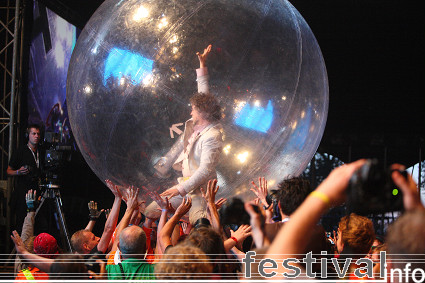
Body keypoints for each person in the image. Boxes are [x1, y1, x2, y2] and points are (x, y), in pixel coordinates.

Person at [146, 44, 223, 224]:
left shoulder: (212, 135)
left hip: (199, 192)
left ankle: (197, 228)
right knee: (151, 212)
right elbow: (203, 95)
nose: (191, 113)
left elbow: (205, 170)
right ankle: (181, 222)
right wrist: (202, 66)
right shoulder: (202, 120)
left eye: (193, 110)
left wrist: (180, 189)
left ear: (203, 113)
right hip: (185, 185)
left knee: (199, 225)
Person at [7, 124, 43, 234]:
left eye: (38, 134)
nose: (36, 136)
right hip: (23, 193)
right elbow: (8, 171)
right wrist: (18, 172)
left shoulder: (42, 152)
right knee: (22, 223)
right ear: (28, 135)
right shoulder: (20, 151)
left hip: (38, 192)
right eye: (33, 134)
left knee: (38, 223)